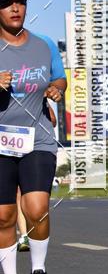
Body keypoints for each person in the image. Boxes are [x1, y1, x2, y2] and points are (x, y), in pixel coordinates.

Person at [0, 0, 67, 274]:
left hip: (37, 138)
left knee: (37, 209)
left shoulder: (44, 45)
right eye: (7, 4)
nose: (15, 8)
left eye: (20, 2)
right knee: (3, 215)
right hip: (0, 143)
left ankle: (38, 272)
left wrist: (56, 89)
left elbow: (59, 77)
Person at [17, 97, 57, 251]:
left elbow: (53, 120)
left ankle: (25, 235)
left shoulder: (36, 95)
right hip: (17, 147)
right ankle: (25, 234)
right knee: (23, 196)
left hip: (31, 147)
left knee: (21, 195)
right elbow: (53, 120)